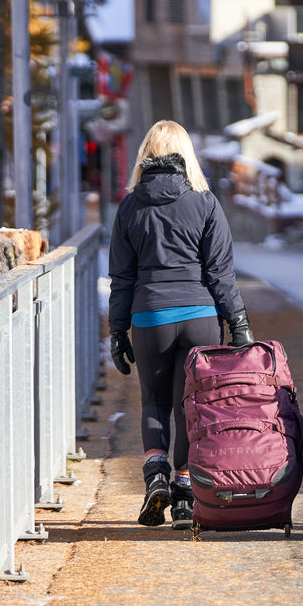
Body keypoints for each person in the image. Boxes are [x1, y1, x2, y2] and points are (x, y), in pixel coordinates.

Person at [108, 119, 254, 527]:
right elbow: (220, 273)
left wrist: (118, 331)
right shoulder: (204, 202)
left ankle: (156, 477)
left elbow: (122, 278)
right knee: (191, 404)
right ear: (186, 155)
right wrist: (238, 321)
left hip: (149, 314)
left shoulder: (129, 206)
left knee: (154, 402)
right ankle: (186, 492)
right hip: (198, 314)